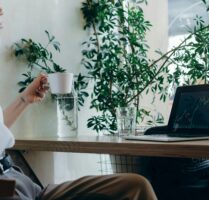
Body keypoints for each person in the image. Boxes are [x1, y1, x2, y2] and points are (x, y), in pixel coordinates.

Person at [0, 7, 157, 200]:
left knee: (136, 186)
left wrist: (25, 99)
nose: (1, 11)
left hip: (21, 181)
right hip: (6, 189)